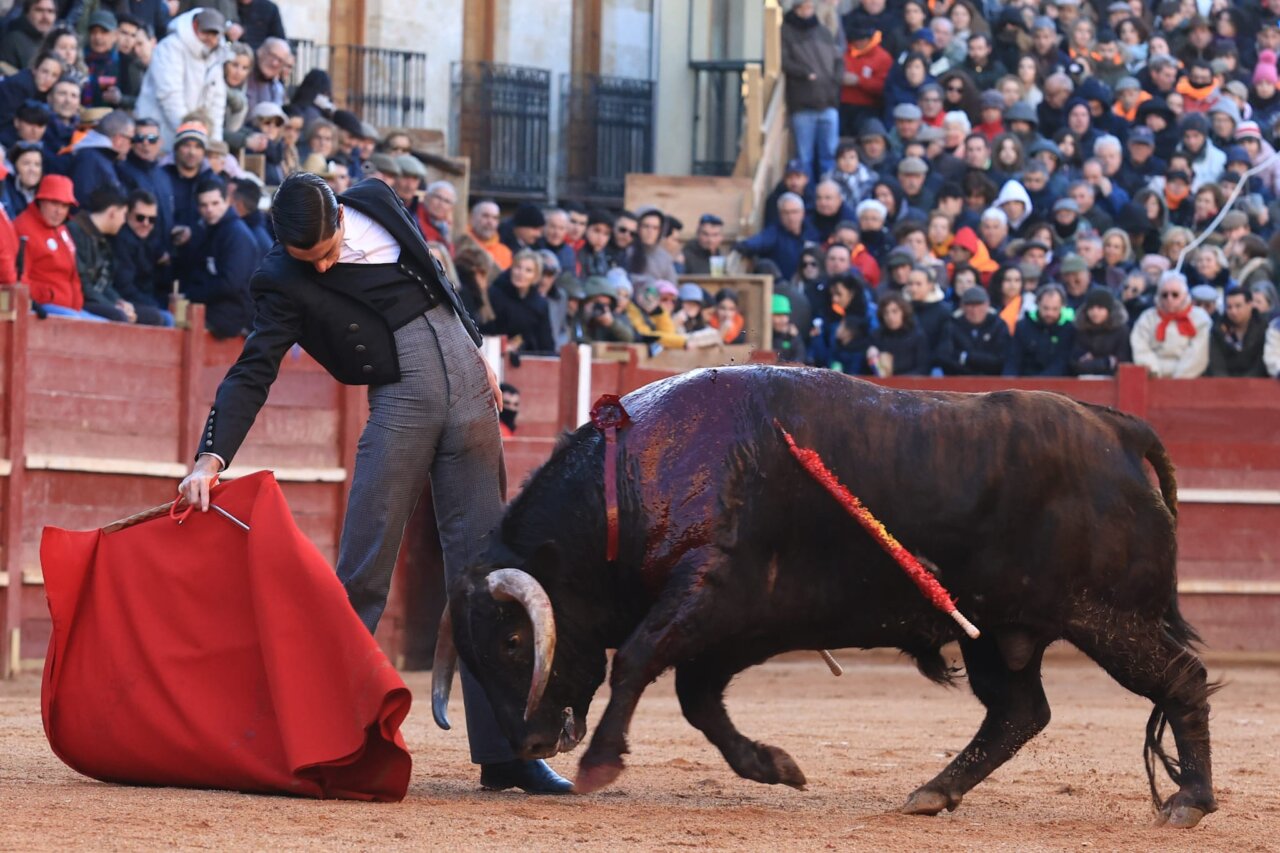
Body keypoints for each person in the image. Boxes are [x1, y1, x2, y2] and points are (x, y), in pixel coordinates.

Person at [176, 172, 570, 794]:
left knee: (484, 575)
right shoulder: (280, 277)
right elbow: (254, 367)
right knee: (362, 570)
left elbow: (437, 276)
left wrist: (477, 351)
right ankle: (326, 740)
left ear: (340, 214)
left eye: (327, 251)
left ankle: (507, 752)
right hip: (401, 401)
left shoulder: (378, 200)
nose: (322, 267)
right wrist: (210, 457)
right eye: (308, 260)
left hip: (471, 396)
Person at [67, 185, 171, 326]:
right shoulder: (76, 231)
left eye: (152, 219)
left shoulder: (103, 237)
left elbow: (106, 283)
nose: (123, 221)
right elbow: (84, 284)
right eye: (123, 214)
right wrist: (114, 305)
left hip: (100, 300)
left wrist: (120, 302)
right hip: (81, 301)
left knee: (155, 317)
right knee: (121, 316)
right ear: (112, 213)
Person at [177, 177, 261, 338]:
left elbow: (230, 284)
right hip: (214, 310)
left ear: (227, 201)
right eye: (204, 205)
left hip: (231, 316)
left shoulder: (236, 235)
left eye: (215, 203)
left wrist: (190, 295)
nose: (209, 210)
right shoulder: (207, 230)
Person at [14, 174, 103, 320]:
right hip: (42, 310)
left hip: (71, 308)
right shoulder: (24, 229)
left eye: (65, 206)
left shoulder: (62, 229)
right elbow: (18, 279)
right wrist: (48, 295)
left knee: (110, 328)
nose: (59, 211)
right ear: (41, 201)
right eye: (54, 203)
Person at [133, 8, 225, 146]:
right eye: (206, 32)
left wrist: (214, 142)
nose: (210, 38)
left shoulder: (216, 56)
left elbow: (217, 103)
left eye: (214, 34)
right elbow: (169, 95)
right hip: (158, 134)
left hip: (193, 139)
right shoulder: (169, 47)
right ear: (195, 26)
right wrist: (189, 135)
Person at [782, 0, 842, 183]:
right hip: (803, 103)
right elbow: (783, 61)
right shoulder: (786, 32)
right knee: (804, 158)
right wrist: (805, 73)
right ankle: (806, 191)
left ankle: (828, 190)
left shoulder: (823, 31)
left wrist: (836, 79)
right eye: (804, 7)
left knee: (829, 155)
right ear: (796, 9)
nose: (807, 11)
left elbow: (838, 59)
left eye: (810, 7)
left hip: (828, 101)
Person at [1130, 271, 1212, 378]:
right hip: (1154, 376)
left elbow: (1198, 354)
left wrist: (1178, 379)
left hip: (1189, 378)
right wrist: (1154, 371)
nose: (1169, 299)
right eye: (1164, 295)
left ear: (1185, 295)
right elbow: (1140, 348)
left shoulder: (1200, 318)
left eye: (1175, 295)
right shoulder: (1147, 317)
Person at [484, 247, 554, 354]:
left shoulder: (540, 304)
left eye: (528, 270)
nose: (521, 273)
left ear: (535, 277)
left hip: (527, 357)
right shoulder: (494, 294)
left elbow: (546, 343)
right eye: (518, 267)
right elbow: (485, 329)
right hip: (493, 353)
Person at [735, 192, 819, 280]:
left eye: (794, 212)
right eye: (786, 213)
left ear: (802, 213)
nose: (790, 217)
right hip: (783, 284)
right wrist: (743, 245)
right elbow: (756, 242)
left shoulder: (812, 233)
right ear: (780, 215)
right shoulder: (774, 233)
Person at [936, 286, 1010, 376]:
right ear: (962, 306)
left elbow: (1001, 359)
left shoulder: (998, 325)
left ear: (987, 305)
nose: (975, 310)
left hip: (993, 378)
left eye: (979, 305)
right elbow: (945, 357)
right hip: (959, 379)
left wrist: (965, 357)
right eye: (970, 305)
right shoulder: (951, 325)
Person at [1005, 284, 1076, 376]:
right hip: (1025, 380)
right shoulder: (1023, 326)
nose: (1050, 313)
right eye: (1045, 308)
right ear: (1037, 304)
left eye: (1055, 309)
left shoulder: (1068, 329)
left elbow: (1062, 362)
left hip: (1057, 381)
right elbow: (1014, 360)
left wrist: (1041, 381)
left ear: (1062, 306)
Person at [113, 188, 167, 308]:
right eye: (140, 218)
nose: (146, 223)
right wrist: (155, 307)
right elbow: (125, 287)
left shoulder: (152, 238)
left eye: (152, 219)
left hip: (148, 299)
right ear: (127, 214)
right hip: (127, 303)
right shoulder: (121, 240)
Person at [69, 109, 132, 206]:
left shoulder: (104, 158)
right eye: (131, 140)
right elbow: (81, 202)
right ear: (119, 139)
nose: (131, 146)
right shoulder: (89, 159)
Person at [1207, 286, 1269, 377]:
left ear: (1250, 305)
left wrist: (1245, 383)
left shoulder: (1264, 328)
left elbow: (1261, 363)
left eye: (1238, 306)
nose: (1233, 311)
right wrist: (1226, 383)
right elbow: (1216, 364)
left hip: (1257, 382)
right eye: (1229, 307)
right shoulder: (1217, 329)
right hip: (1224, 382)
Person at [866, 291, 930, 376]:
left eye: (895, 311)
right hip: (881, 383)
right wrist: (871, 358)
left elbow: (923, 369)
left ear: (904, 312)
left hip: (909, 382)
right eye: (886, 313)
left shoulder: (917, 336)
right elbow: (866, 373)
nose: (890, 317)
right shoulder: (876, 336)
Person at [1070, 288, 1131, 376]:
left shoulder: (1122, 331)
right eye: (1091, 308)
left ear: (1109, 310)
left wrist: (1093, 362)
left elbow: (1122, 362)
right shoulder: (1080, 329)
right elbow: (1075, 363)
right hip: (1083, 379)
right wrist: (1107, 362)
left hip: (1114, 380)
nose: (1095, 312)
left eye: (1100, 308)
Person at [0, 0, 57, 74]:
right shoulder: (13, 40)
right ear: (27, 13)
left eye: (50, 11)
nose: (45, 17)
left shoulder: (57, 42)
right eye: (39, 10)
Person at [457, 199, 510, 271]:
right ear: (472, 218)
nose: (490, 222)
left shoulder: (505, 253)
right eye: (485, 216)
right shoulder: (459, 243)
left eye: (495, 218)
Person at [770, 293, 807, 363]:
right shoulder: (761, 336)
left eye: (785, 315)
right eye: (778, 315)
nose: (783, 320)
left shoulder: (791, 335)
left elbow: (799, 358)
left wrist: (793, 338)